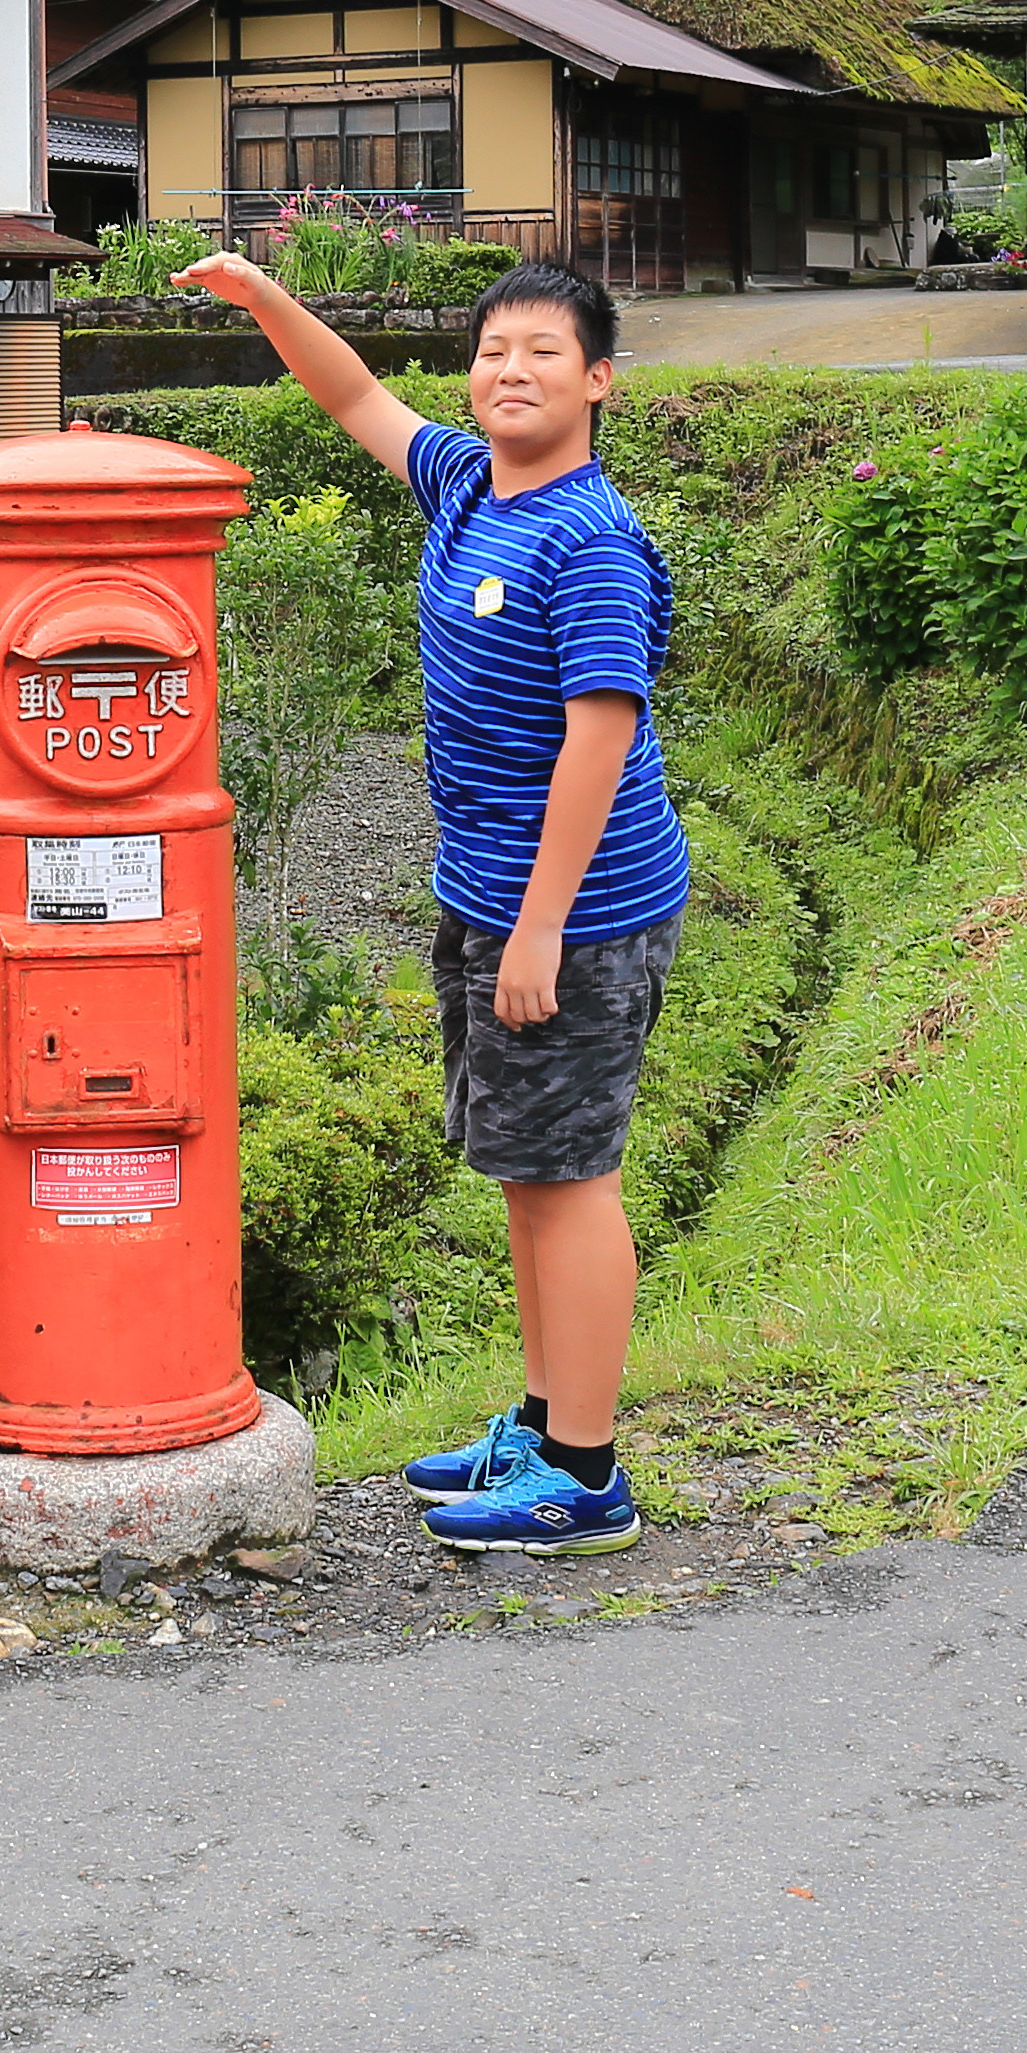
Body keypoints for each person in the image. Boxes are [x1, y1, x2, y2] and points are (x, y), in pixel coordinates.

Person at [179, 252, 687, 1558]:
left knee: (572, 1179)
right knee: (529, 1169)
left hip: (574, 911)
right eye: (493, 351)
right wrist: (264, 300)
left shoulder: (590, 539)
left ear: (599, 381)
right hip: (492, 893)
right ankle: (542, 1415)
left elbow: (601, 740)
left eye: (543, 353)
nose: (511, 372)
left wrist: (538, 927)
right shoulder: (468, 482)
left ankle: (584, 1475)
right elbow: (355, 400)